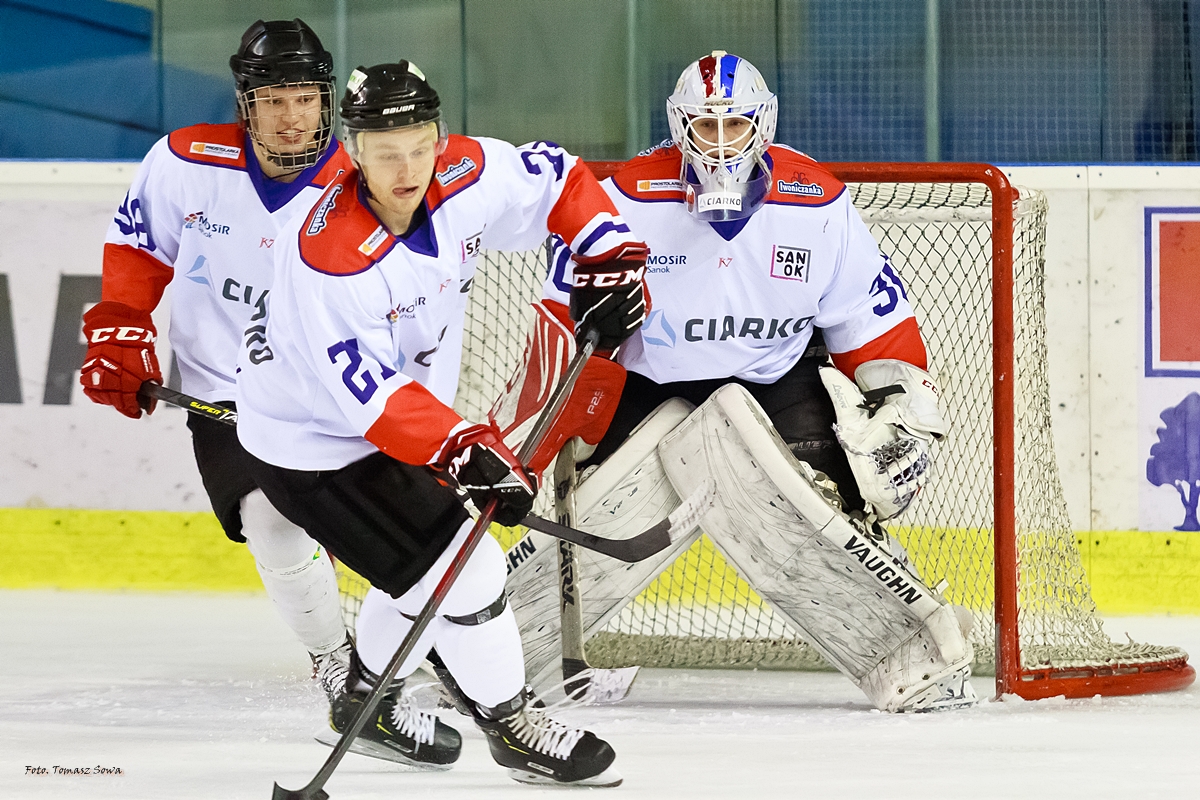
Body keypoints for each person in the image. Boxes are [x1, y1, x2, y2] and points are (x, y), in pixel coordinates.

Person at [510, 50, 978, 713]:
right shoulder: (620, 201)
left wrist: (898, 408)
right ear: (681, 128)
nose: (721, 142)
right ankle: (503, 663)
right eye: (706, 126)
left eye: (735, 125)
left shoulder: (815, 203)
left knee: (829, 499)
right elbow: (564, 328)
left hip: (775, 381)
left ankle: (912, 642)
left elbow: (873, 324)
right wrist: (559, 423)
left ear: (763, 124)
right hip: (646, 387)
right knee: (582, 520)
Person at [234, 60, 647, 784]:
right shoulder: (327, 257)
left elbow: (559, 179)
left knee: (423, 570)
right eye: (385, 152)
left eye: (420, 146)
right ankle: (515, 729)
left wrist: (608, 256)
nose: (407, 168)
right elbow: (374, 398)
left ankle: (367, 700)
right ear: (353, 151)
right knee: (468, 566)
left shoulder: (465, 172)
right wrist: (464, 448)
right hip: (314, 445)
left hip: (394, 424)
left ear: (439, 137)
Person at [80, 19, 358, 714]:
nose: (291, 117)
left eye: (303, 98)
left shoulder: (362, 185)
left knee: (391, 527)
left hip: (334, 394)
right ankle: (335, 659)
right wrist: (124, 321)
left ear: (325, 100)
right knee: (270, 522)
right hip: (226, 395)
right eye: (274, 100)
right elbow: (140, 251)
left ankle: (444, 635)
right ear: (246, 103)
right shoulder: (183, 163)